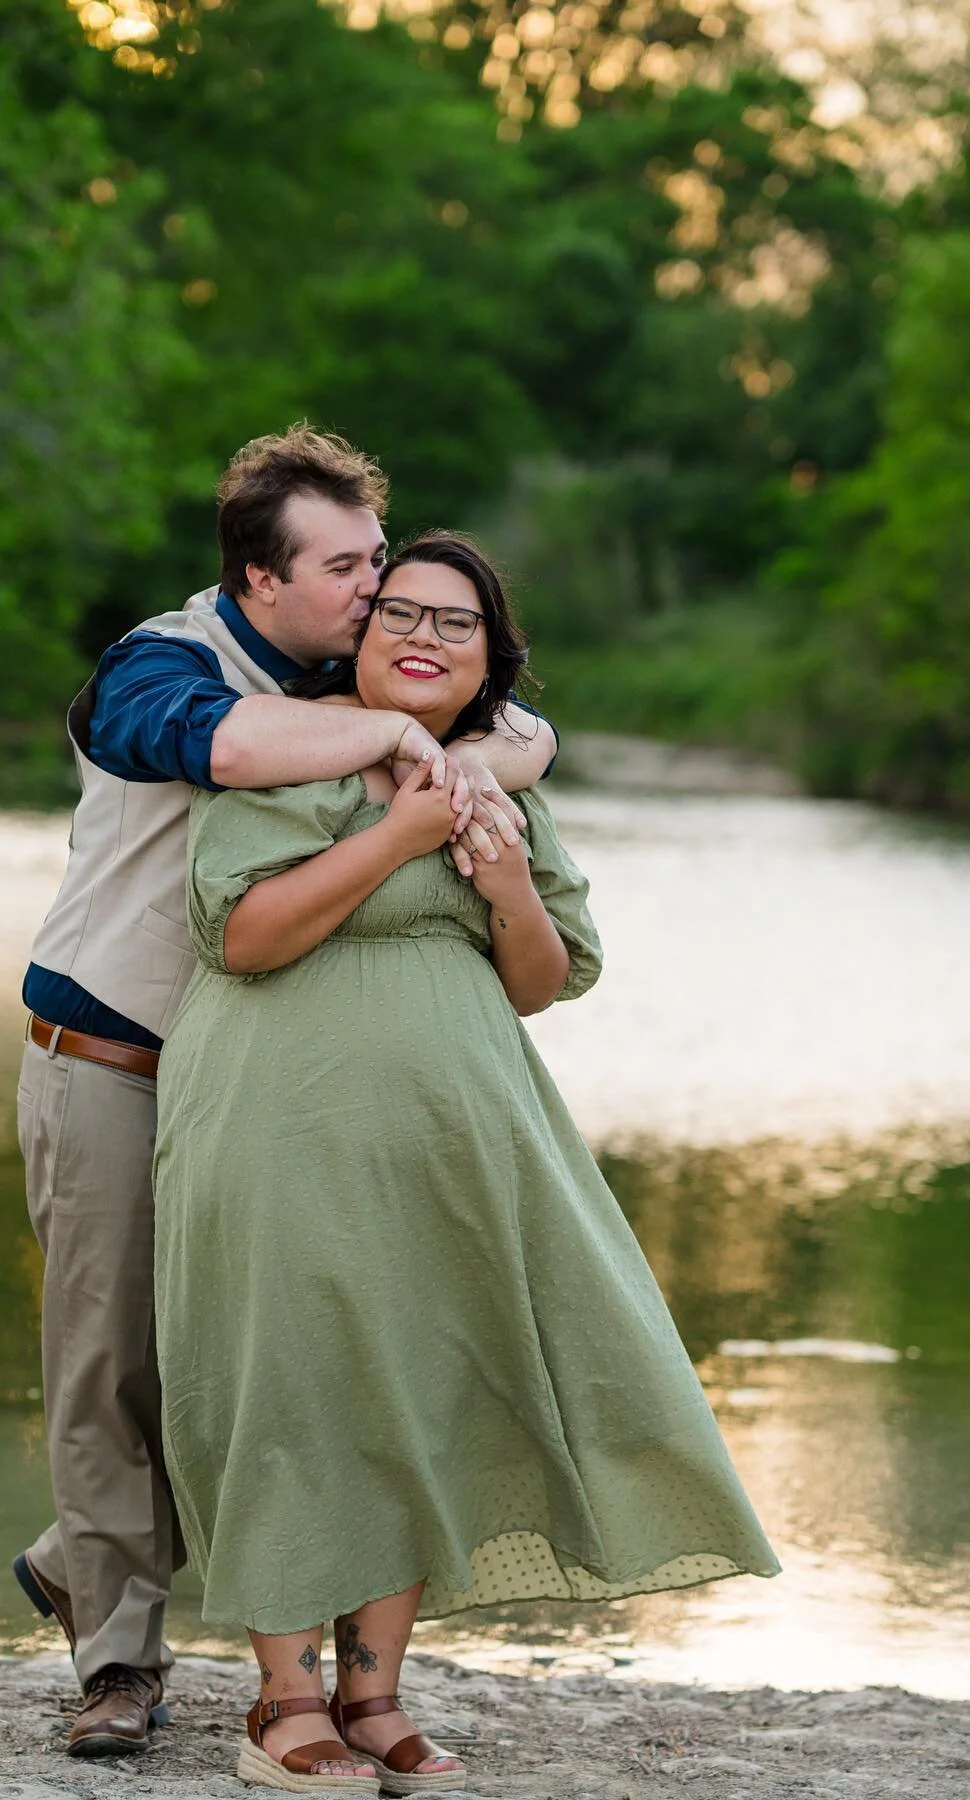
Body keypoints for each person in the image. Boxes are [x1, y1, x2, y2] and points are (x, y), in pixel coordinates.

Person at [153, 532, 780, 1792]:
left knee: (422, 1386)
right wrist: (407, 830)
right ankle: (283, 1699)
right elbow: (250, 937)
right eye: (399, 614)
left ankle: (374, 1695)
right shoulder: (287, 750)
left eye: (457, 624)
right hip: (277, 1121)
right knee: (289, 1382)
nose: (423, 638)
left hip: (460, 1141)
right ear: (362, 632)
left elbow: (544, 982)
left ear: (492, 660)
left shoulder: (515, 787)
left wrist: (503, 879)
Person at [13, 430, 557, 1758]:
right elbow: (224, 749)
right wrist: (396, 734)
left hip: (262, 1087)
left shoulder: (343, 665)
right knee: (118, 1371)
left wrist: (472, 753)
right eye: (349, 568)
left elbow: (526, 720)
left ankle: (84, 1553)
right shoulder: (160, 666)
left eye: (382, 560)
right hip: (114, 1062)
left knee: (290, 1358)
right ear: (261, 579)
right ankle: (118, 1664)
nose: (379, 592)